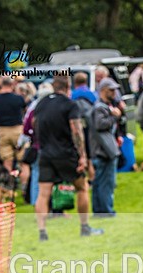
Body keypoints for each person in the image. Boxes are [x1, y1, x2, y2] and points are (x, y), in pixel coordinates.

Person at [33, 75, 103, 241]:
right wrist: (83, 156)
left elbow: (35, 125)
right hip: (65, 154)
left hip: (45, 154)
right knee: (82, 188)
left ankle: (42, 231)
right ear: (68, 87)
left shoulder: (41, 104)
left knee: (43, 194)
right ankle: (85, 227)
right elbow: (76, 131)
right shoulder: (70, 105)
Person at [89, 78, 122, 217]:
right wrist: (115, 117)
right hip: (104, 151)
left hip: (99, 150)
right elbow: (100, 125)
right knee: (106, 184)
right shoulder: (99, 107)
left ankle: (99, 211)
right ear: (103, 90)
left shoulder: (100, 106)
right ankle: (107, 212)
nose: (115, 93)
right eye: (112, 90)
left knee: (98, 184)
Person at [0, 77, 27, 173]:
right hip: (17, 129)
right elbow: (25, 110)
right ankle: (23, 185)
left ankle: (9, 184)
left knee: (7, 160)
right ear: (12, 85)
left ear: (0, 85)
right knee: (23, 160)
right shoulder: (18, 98)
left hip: (2, 130)